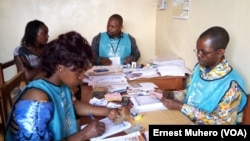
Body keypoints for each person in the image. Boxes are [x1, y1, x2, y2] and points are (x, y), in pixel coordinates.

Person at [5, 31, 122, 140]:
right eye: (78, 71)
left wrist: (107, 111)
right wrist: (84, 133)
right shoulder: (37, 99)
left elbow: (73, 105)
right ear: (59, 67)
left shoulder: (60, 83)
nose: (82, 77)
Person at [154, 26, 247, 125]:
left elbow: (223, 124)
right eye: (197, 50)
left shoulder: (232, 86)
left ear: (220, 52)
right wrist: (173, 95)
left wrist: (182, 107)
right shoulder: (199, 68)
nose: (198, 55)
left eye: (204, 52)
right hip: (184, 120)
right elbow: (189, 94)